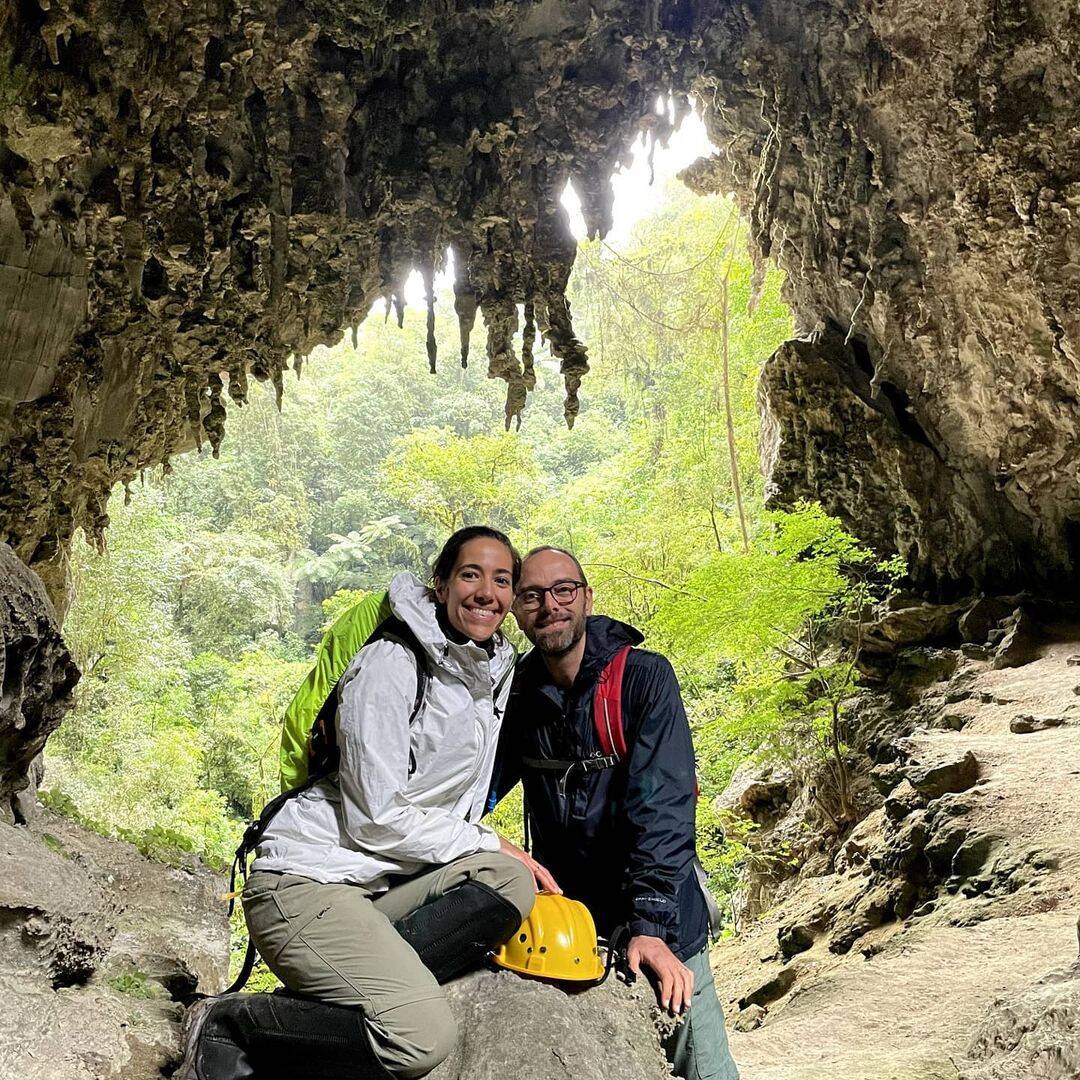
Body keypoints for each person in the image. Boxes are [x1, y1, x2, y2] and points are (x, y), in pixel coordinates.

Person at [177, 526, 558, 1080]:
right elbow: (375, 817)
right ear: (441, 583)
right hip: (306, 882)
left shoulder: (489, 672)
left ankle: (348, 996)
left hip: (375, 885)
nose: (486, 592)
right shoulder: (392, 662)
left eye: (501, 580)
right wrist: (486, 837)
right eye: (470, 574)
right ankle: (234, 1024)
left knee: (508, 880)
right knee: (421, 1039)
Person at [496, 546, 740, 1080]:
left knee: (700, 1064)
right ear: (515, 609)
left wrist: (650, 927)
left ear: (586, 596)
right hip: (575, 929)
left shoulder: (642, 679)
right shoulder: (516, 697)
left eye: (563, 590)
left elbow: (664, 808)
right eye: (532, 595)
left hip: (662, 920)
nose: (549, 606)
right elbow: (474, 789)